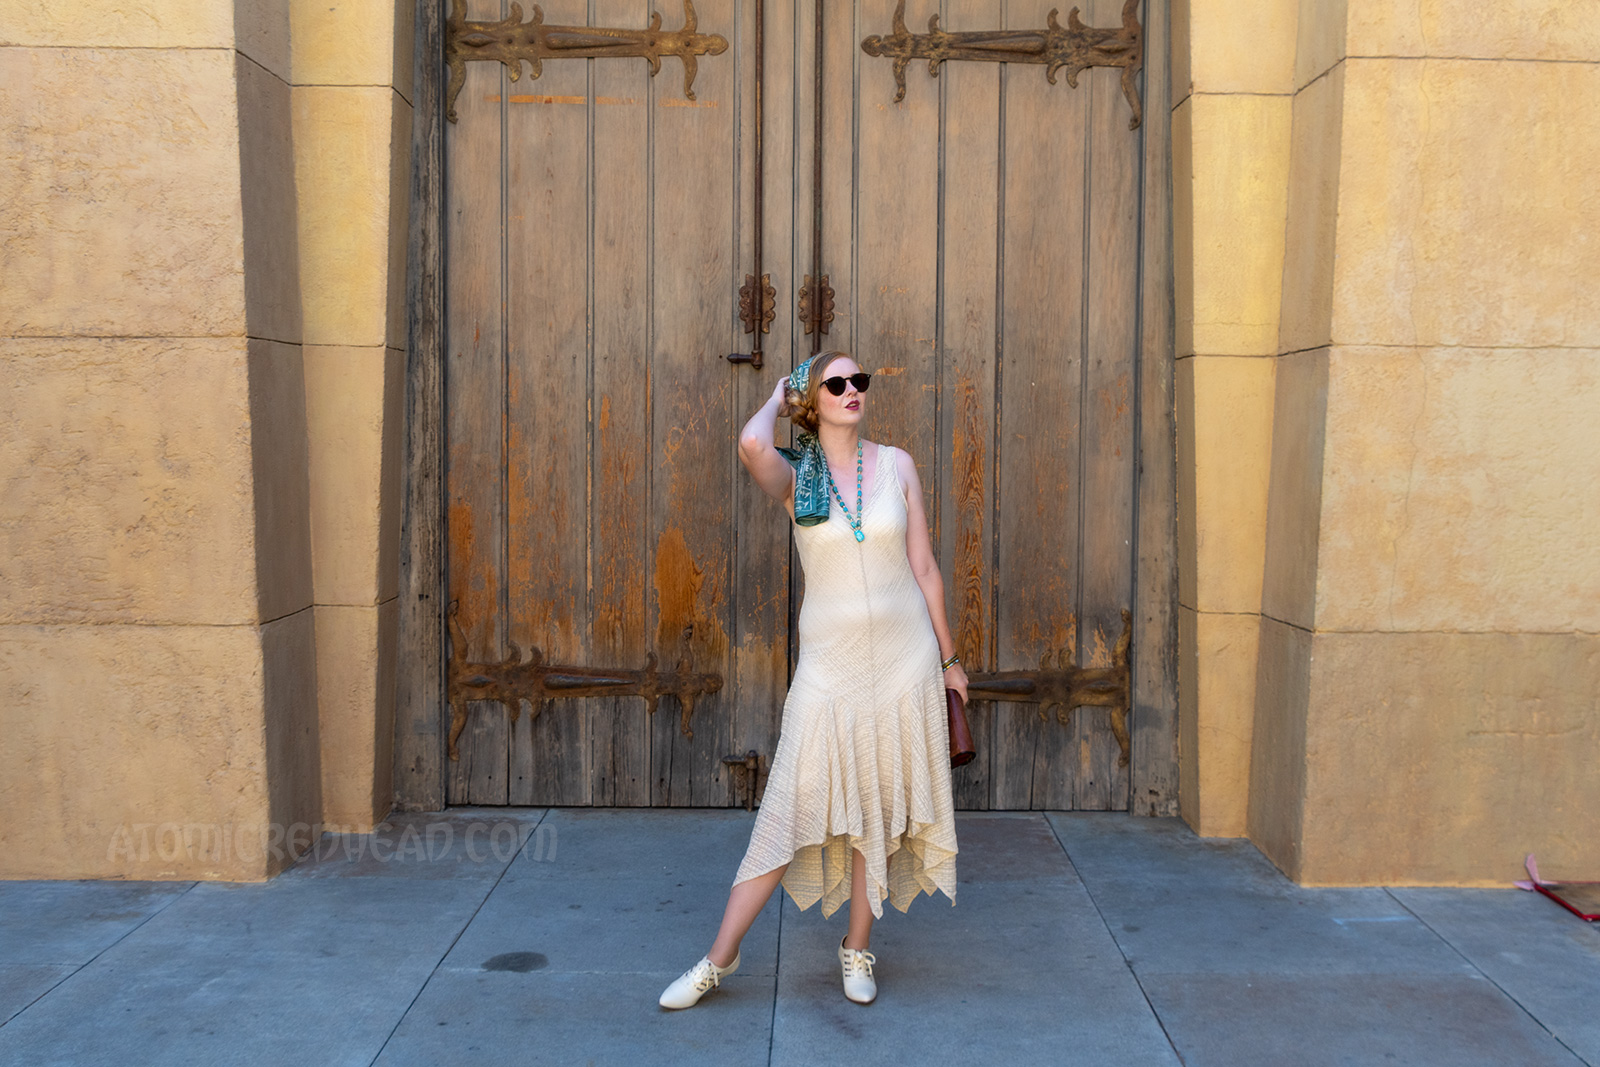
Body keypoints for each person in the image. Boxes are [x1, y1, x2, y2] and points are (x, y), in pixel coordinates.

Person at [659, 350, 966, 1010]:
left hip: (906, 659)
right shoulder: (799, 477)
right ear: (812, 400)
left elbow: (926, 569)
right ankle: (720, 956)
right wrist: (776, 393)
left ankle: (857, 948)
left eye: (861, 380)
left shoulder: (899, 466)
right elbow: (749, 443)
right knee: (787, 811)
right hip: (831, 668)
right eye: (837, 383)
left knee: (876, 811)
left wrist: (949, 659)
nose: (853, 390)